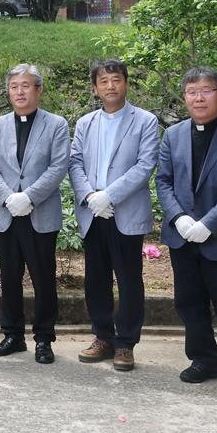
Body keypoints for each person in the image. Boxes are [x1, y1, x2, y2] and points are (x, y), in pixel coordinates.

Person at [156, 66, 217, 394]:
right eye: (191, 92)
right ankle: (204, 359)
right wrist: (179, 218)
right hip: (182, 237)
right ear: (185, 97)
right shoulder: (172, 136)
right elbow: (163, 181)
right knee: (188, 303)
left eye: (206, 90)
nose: (198, 98)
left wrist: (208, 224)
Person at [68, 59, 160, 371]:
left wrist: (110, 195)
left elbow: (145, 165)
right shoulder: (86, 123)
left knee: (129, 279)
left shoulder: (145, 121)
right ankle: (102, 337)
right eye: (104, 81)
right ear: (95, 88)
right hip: (93, 213)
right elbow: (75, 162)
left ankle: (126, 343)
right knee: (96, 279)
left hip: (126, 212)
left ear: (126, 83)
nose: (110, 86)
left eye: (116, 79)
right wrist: (90, 196)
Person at [0, 63, 69, 364]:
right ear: (8, 91)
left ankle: (44, 338)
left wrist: (29, 197)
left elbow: (58, 166)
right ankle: (13, 335)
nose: (19, 92)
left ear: (38, 89)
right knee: (9, 278)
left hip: (39, 213)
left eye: (26, 85)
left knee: (43, 279)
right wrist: (8, 198)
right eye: (14, 86)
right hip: (5, 214)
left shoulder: (56, 125)